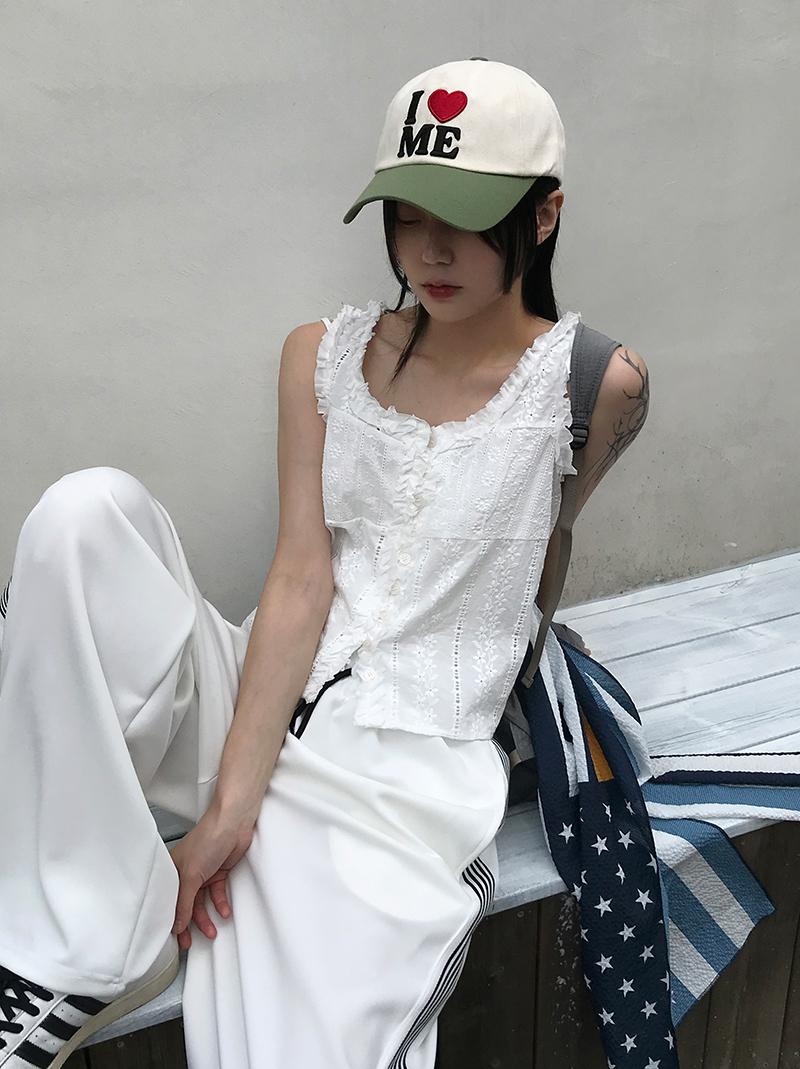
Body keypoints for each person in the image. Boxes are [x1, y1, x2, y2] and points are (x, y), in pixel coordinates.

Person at [0, 58, 649, 1069]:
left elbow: (534, 558)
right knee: (83, 517)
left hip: (401, 771)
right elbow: (301, 576)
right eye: (407, 216)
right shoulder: (322, 353)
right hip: (259, 694)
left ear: (544, 212)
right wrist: (231, 804)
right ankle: (87, 939)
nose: (430, 250)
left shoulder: (593, 384)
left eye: (467, 219)